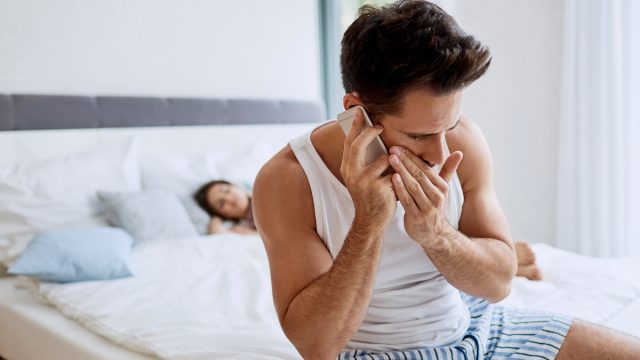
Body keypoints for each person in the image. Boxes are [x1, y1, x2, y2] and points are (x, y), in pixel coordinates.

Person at [252, 1, 640, 359]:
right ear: (358, 113)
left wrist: (435, 234)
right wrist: (369, 220)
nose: (440, 154)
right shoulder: (288, 181)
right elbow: (317, 345)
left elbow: (498, 284)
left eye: (448, 126)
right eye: (419, 136)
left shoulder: (462, 143)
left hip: (479, 330)